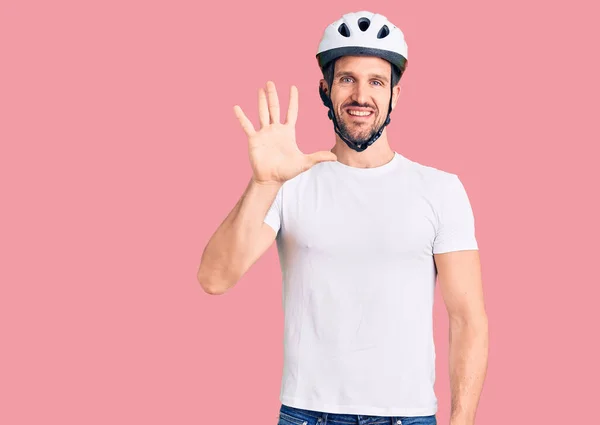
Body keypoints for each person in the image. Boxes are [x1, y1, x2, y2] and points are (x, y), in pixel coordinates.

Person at [197, 10, 488, 425]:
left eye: (376, 81)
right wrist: (263, 184)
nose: (361, 96)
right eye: (347, 78)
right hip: (308, 415)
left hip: (407, 417)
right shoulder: (289, 183)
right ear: (325, 89)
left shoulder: (440, 189)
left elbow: (468, 320)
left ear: (395, 95)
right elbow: (214, 278)